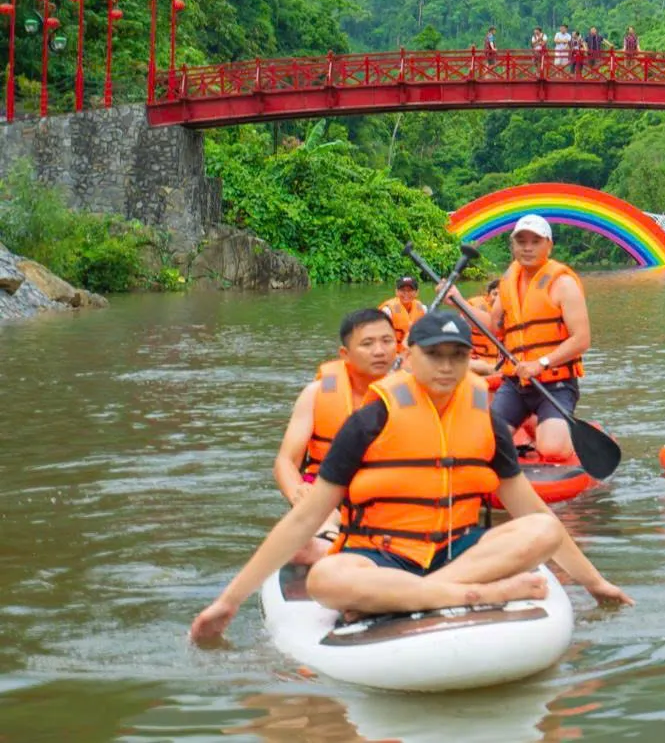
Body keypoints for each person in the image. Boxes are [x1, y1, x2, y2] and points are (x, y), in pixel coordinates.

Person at [189, 310, 629, 643]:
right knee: (325, 579)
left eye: (457, 356)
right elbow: (304, 519)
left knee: (543, 527)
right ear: (410, 357)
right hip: (383, 553)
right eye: (434, 354)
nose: (446, 367)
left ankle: (410, 596)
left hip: (461, 551)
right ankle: (468, 595)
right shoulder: (369, 420)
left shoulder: (486, 420)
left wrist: (596, 584)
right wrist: (229, 601)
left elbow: (530, 509)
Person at [272, 308, 398, 561]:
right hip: (328, 497)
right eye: (367, 343)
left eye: (387, 341)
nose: (380, 351)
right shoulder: (316, 394)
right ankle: (333, 542)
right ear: (345, 354)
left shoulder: (416, 395)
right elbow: (286, 461)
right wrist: (298, 492)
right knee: (300, 545)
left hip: (387, 498)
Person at [467, 214, 590, 464]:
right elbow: (494, 327)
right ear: (513, 246)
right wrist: (458, 302)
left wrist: (541, 363)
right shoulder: (507, 283)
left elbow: (581, 339)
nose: (527, 247)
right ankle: (536, 422)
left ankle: (553, 427)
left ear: (549, 245)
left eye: (535, 241)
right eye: (521, 241)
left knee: (553, 450)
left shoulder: (563, 283)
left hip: (555, 385)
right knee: (482, 444)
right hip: (515, 384)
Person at [379, 275, 427, 339]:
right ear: (396, 292)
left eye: (410, 290)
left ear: (416, 292)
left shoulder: (423, 309)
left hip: (414, 347)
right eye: (402, 290)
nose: (406, 293)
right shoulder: (387, 311)